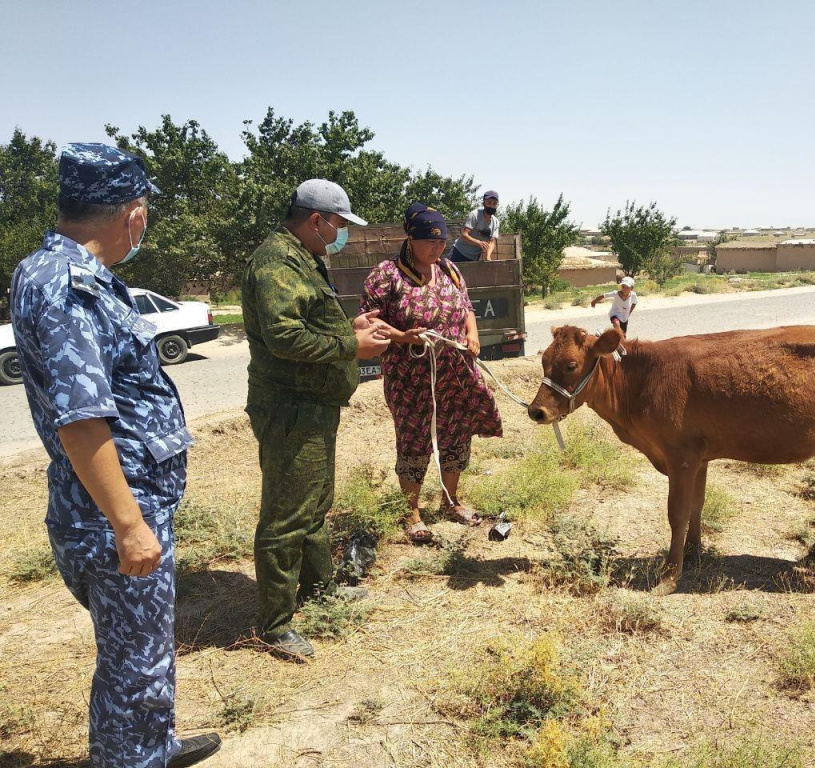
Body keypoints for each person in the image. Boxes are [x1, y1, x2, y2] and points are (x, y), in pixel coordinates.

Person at [9, 143, 221, 767]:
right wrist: (129, 526)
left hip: (119, 501)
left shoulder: (60, 271)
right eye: (145, 211)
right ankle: (133, 757)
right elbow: (80, 420)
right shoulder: (68, 284)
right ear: (132, 214)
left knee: (142, 654)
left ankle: (152, 746)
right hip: (112, 513)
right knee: (135, 666)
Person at [241, 179, 392, 662]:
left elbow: (304, 325)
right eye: (340, 225)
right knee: (287, 515)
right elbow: (283, 338)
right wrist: (352, 347)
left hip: (313, 404)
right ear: (315, 221)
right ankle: (275, 624)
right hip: (290, 409)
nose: (341, 233)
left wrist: (350, 328)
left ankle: (319, 589)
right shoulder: (276, 262)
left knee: (314, 503)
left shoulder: (304, 259)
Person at [361, 204, 502, 543]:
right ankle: (411, 512)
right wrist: (401, 335)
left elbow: (466, 306)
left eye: (442, 242)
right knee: (414, 439)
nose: (437, 249)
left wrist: (473, 335)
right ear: (410, 238)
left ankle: (450, 502)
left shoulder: (450, 269)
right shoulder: (386, 275)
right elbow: (368, 321)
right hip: (411, 378)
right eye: (429, 242)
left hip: (454, 372)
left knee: (456, 432)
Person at [449, 190, 501, 263]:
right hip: (459, 252)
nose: (491, 206)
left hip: (473, 257)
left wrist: (488, 256)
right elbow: (464, 235)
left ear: (497, 205)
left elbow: (492, 242)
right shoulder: (475, 215)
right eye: (489, 203)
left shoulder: (495, 222)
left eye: (494, 203)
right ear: (483, 203)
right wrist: (478, 243)